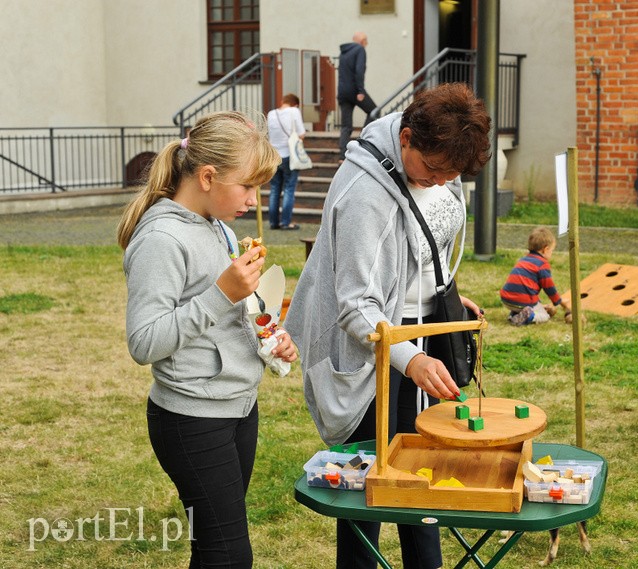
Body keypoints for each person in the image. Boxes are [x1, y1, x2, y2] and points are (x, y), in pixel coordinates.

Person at [286, 83, 491, 569]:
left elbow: (417, 250)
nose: (441, 182)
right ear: (405, 139)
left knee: (422, 486)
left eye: (452, 175)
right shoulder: (365, 194)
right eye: (434, 171)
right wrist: (412, 359)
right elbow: (356, 304)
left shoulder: (438, 157)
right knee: (371, 492)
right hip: (374, 353)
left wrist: (444, 299)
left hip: (416, 336)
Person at [117, 111, 298, 569]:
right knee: (229, 554)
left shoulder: (217, 225)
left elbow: (231, 313)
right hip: (192, 419)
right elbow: (144, 341)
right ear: (208, 176)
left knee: (218, 549)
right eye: (247, 187)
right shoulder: (161, 237)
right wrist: (222, 294)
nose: (254, 200)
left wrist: (271, 332)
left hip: (238, 407)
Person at [500, 226, 572, 326]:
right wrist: (560, 302)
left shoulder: (523, 260)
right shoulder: (542, 264)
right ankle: (528, 316)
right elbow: (549, 288)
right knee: (544, 316)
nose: (551, 253)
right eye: (552, 250)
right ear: (545, 250)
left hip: (506, 299)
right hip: (521, 301)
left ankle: (514, 315)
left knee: (532, 304)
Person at [267, 93, 306, 230]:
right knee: (289, 189)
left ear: (283, 101)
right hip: (289, 155)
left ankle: (273, 222)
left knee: (274, 189)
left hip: (274, 156)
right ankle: (285, 222)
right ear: (295, 104)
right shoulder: (294, 111)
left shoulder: (271, 114)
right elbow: (301, 134)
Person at [337, 31, 377, 162]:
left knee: (346, 126)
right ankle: (362, 142)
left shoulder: (343, 52)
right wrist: (360, 91)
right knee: (374, 111)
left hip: (343, 92)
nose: (367, 43)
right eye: (366, 40)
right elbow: (359, 71)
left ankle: (343, 156)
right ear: (361, 41)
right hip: (354, 90)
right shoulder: (359, 49)